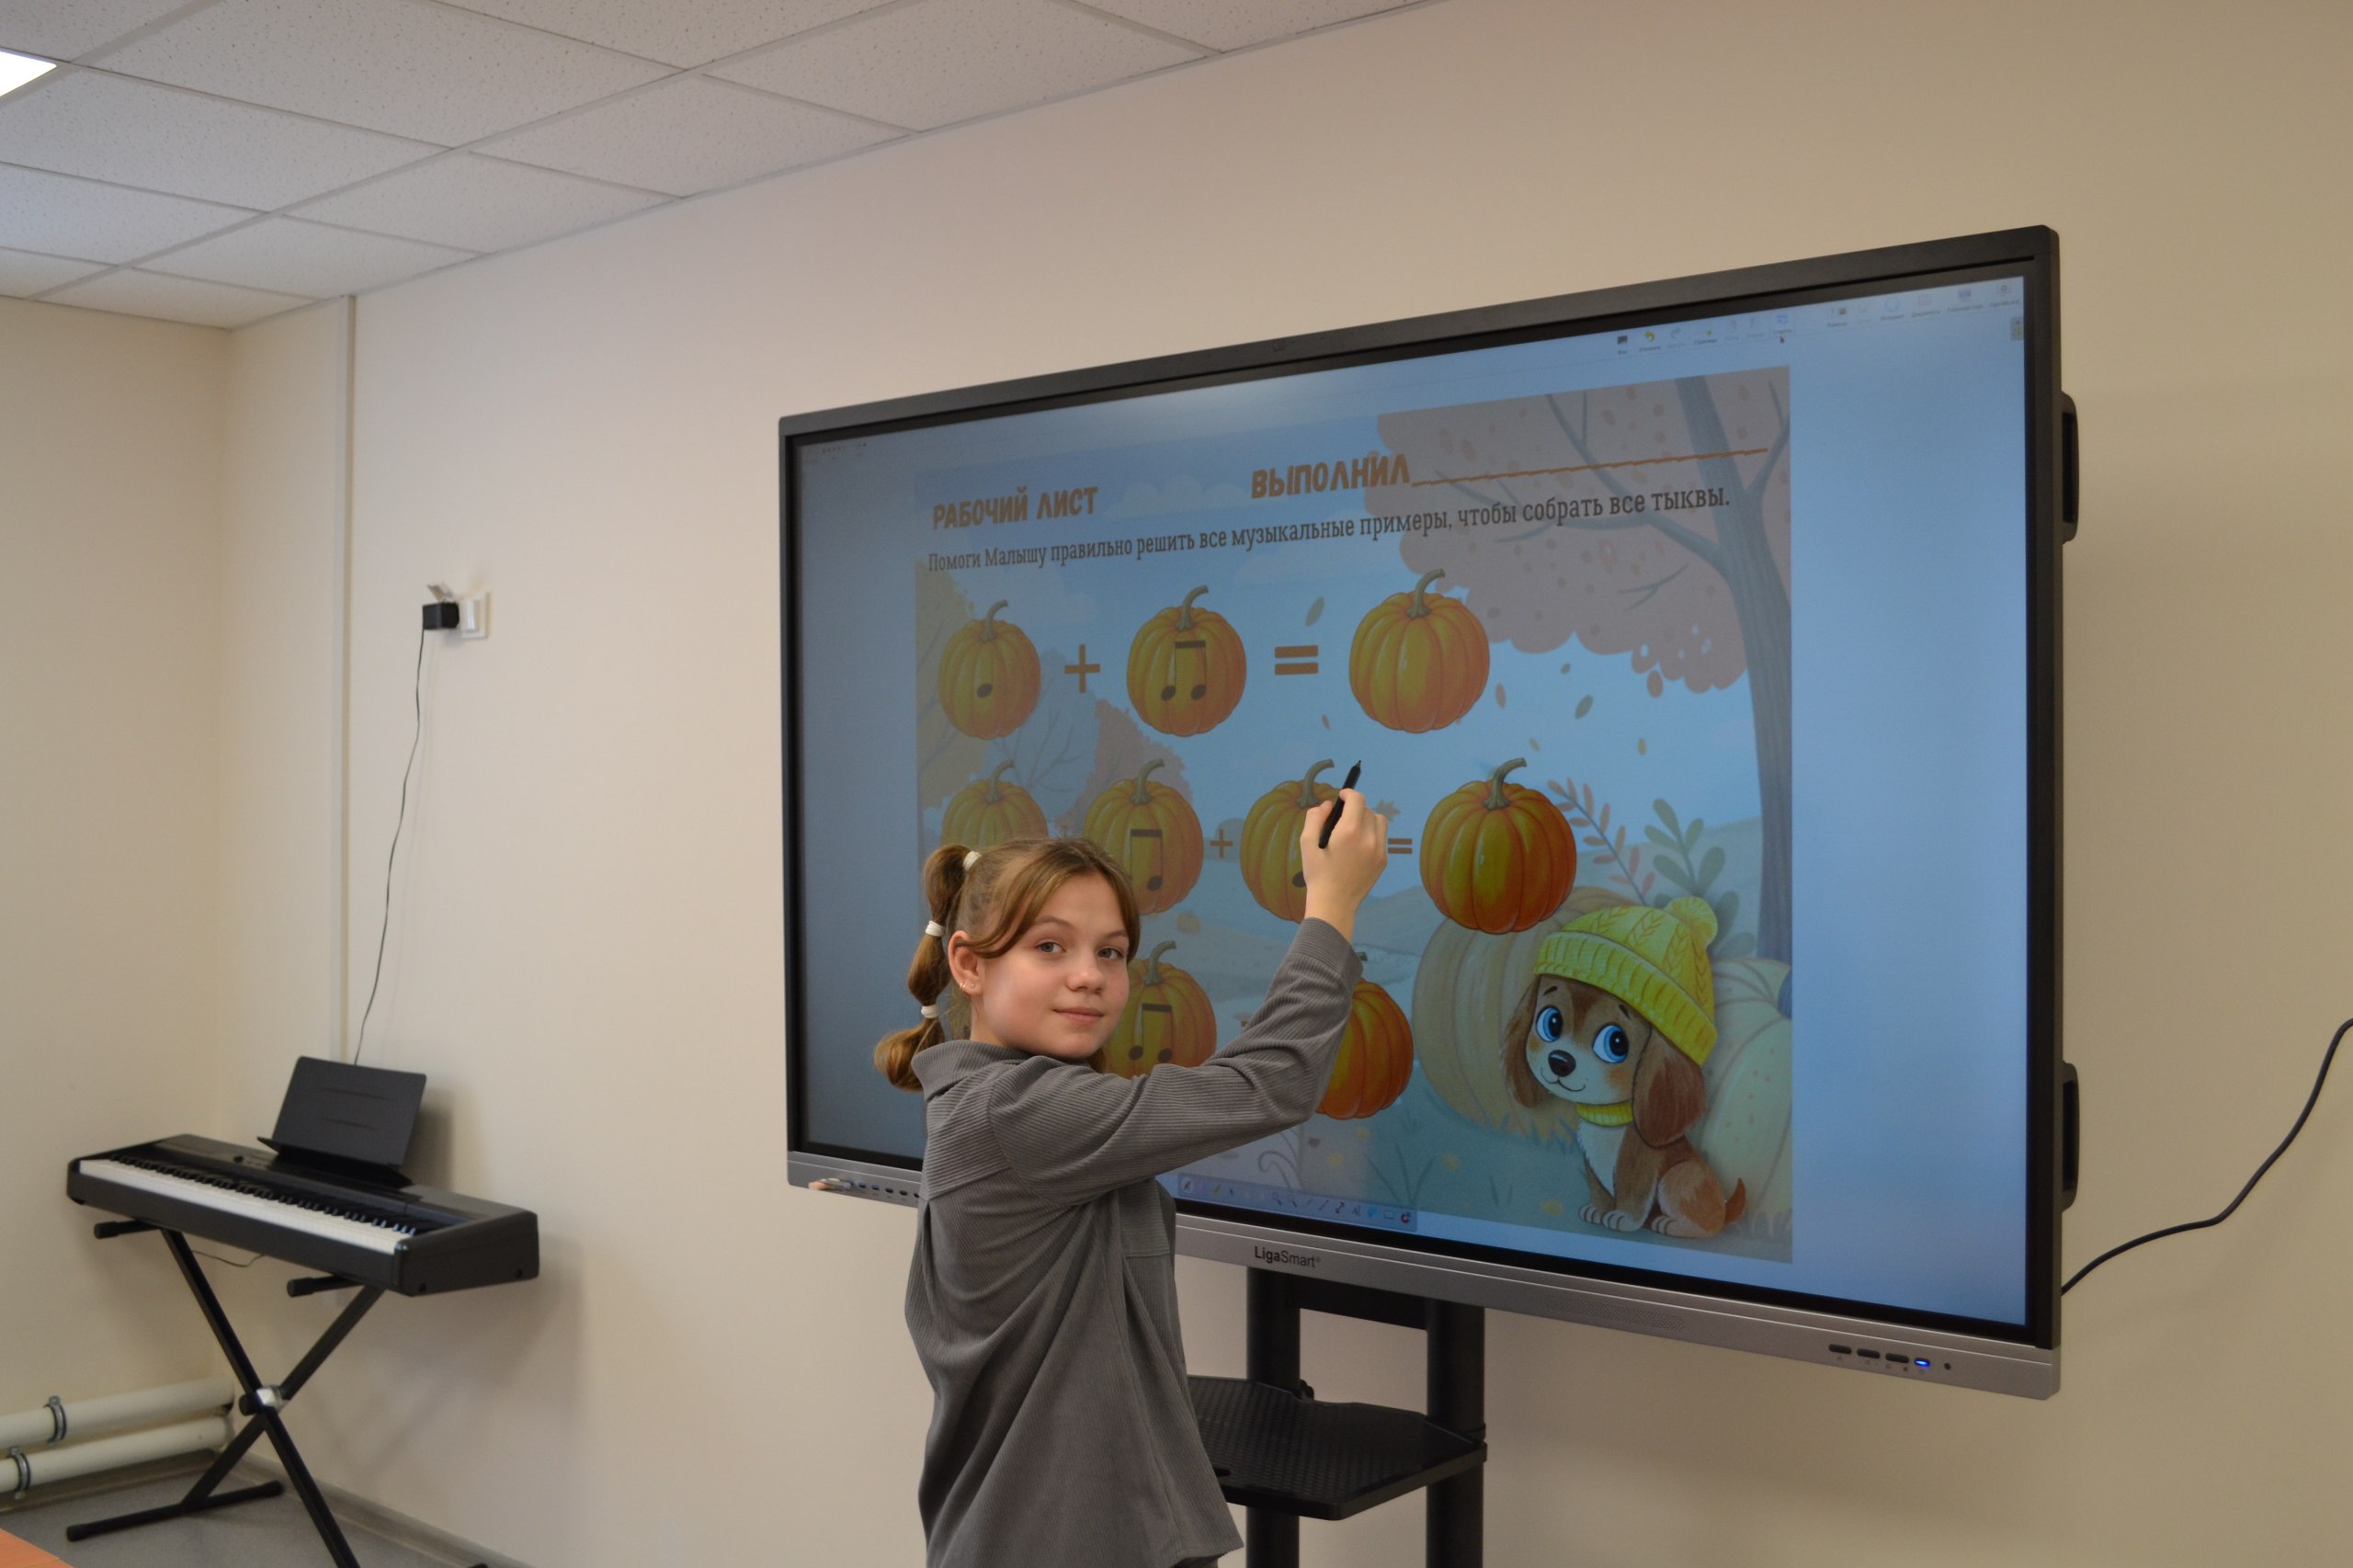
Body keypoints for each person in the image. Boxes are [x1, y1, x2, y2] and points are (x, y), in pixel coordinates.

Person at [871, 791, 1388, 1568]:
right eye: (1050, 947)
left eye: (1110, 953)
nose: (1088, 976)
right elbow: (1269, 1084)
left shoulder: (1002, 1105)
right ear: (969, 965)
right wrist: (1333, 904)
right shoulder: (1015, 1113)